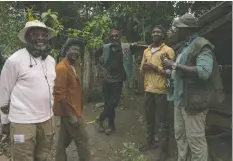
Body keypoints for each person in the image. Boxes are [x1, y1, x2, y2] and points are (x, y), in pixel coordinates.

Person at [163, 13, 224, 161]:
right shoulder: (185, 47)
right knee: (181, 137)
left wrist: (175, 65)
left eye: (179, 28)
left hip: (193, 102)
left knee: (195, 140)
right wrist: (170, 71)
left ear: (187, 29)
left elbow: (204, 72)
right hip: (180, 100)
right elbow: (183, 70)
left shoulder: (201, 45)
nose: (176, 31)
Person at [0, 20, 56, 161]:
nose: (40, 38)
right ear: (27, 38)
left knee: (43, 156)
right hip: (22, 121)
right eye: (35, 34)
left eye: (44, 35)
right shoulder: (14, 61)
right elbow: (4, 92)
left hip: (47, 119)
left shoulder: (51, 61)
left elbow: (50, 87)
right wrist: (4, 121)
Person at [94, 29, 145, 135]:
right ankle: (111, 126)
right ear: (109, 37)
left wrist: (137, 44)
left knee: (113, 102)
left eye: (116, 36)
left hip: (118, 80)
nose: (114, 38)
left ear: (120, 37)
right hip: (106, 79)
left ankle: (100, 119)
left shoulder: (126, 48)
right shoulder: (105, 47)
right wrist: (100, 64)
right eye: (112, 36)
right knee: (108, 103)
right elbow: (96, 54)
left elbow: (141, 46)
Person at [139, 25, 175, 160]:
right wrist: (144, 67)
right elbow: (141, 69)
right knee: (149, 118)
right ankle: (150, 142)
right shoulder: (146, 51)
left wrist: (154, 68)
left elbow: (170, 72)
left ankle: (164, 150)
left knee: (163, 121)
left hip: (162, 91)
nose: (155, 34)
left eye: (158, 32)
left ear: (163, 35)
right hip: (148, 89)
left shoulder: (168, 51)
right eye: (153, 32)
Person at [53, 38, 91, 161]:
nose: (76, 52)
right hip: (69, 111)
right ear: (66, 50)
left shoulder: (72, 66)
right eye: (73, 49)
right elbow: (60, 94)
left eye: (78, 50)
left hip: (73, 109)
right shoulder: (61, 68)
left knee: (62, 143)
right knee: (82, 139)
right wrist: (71, 116)